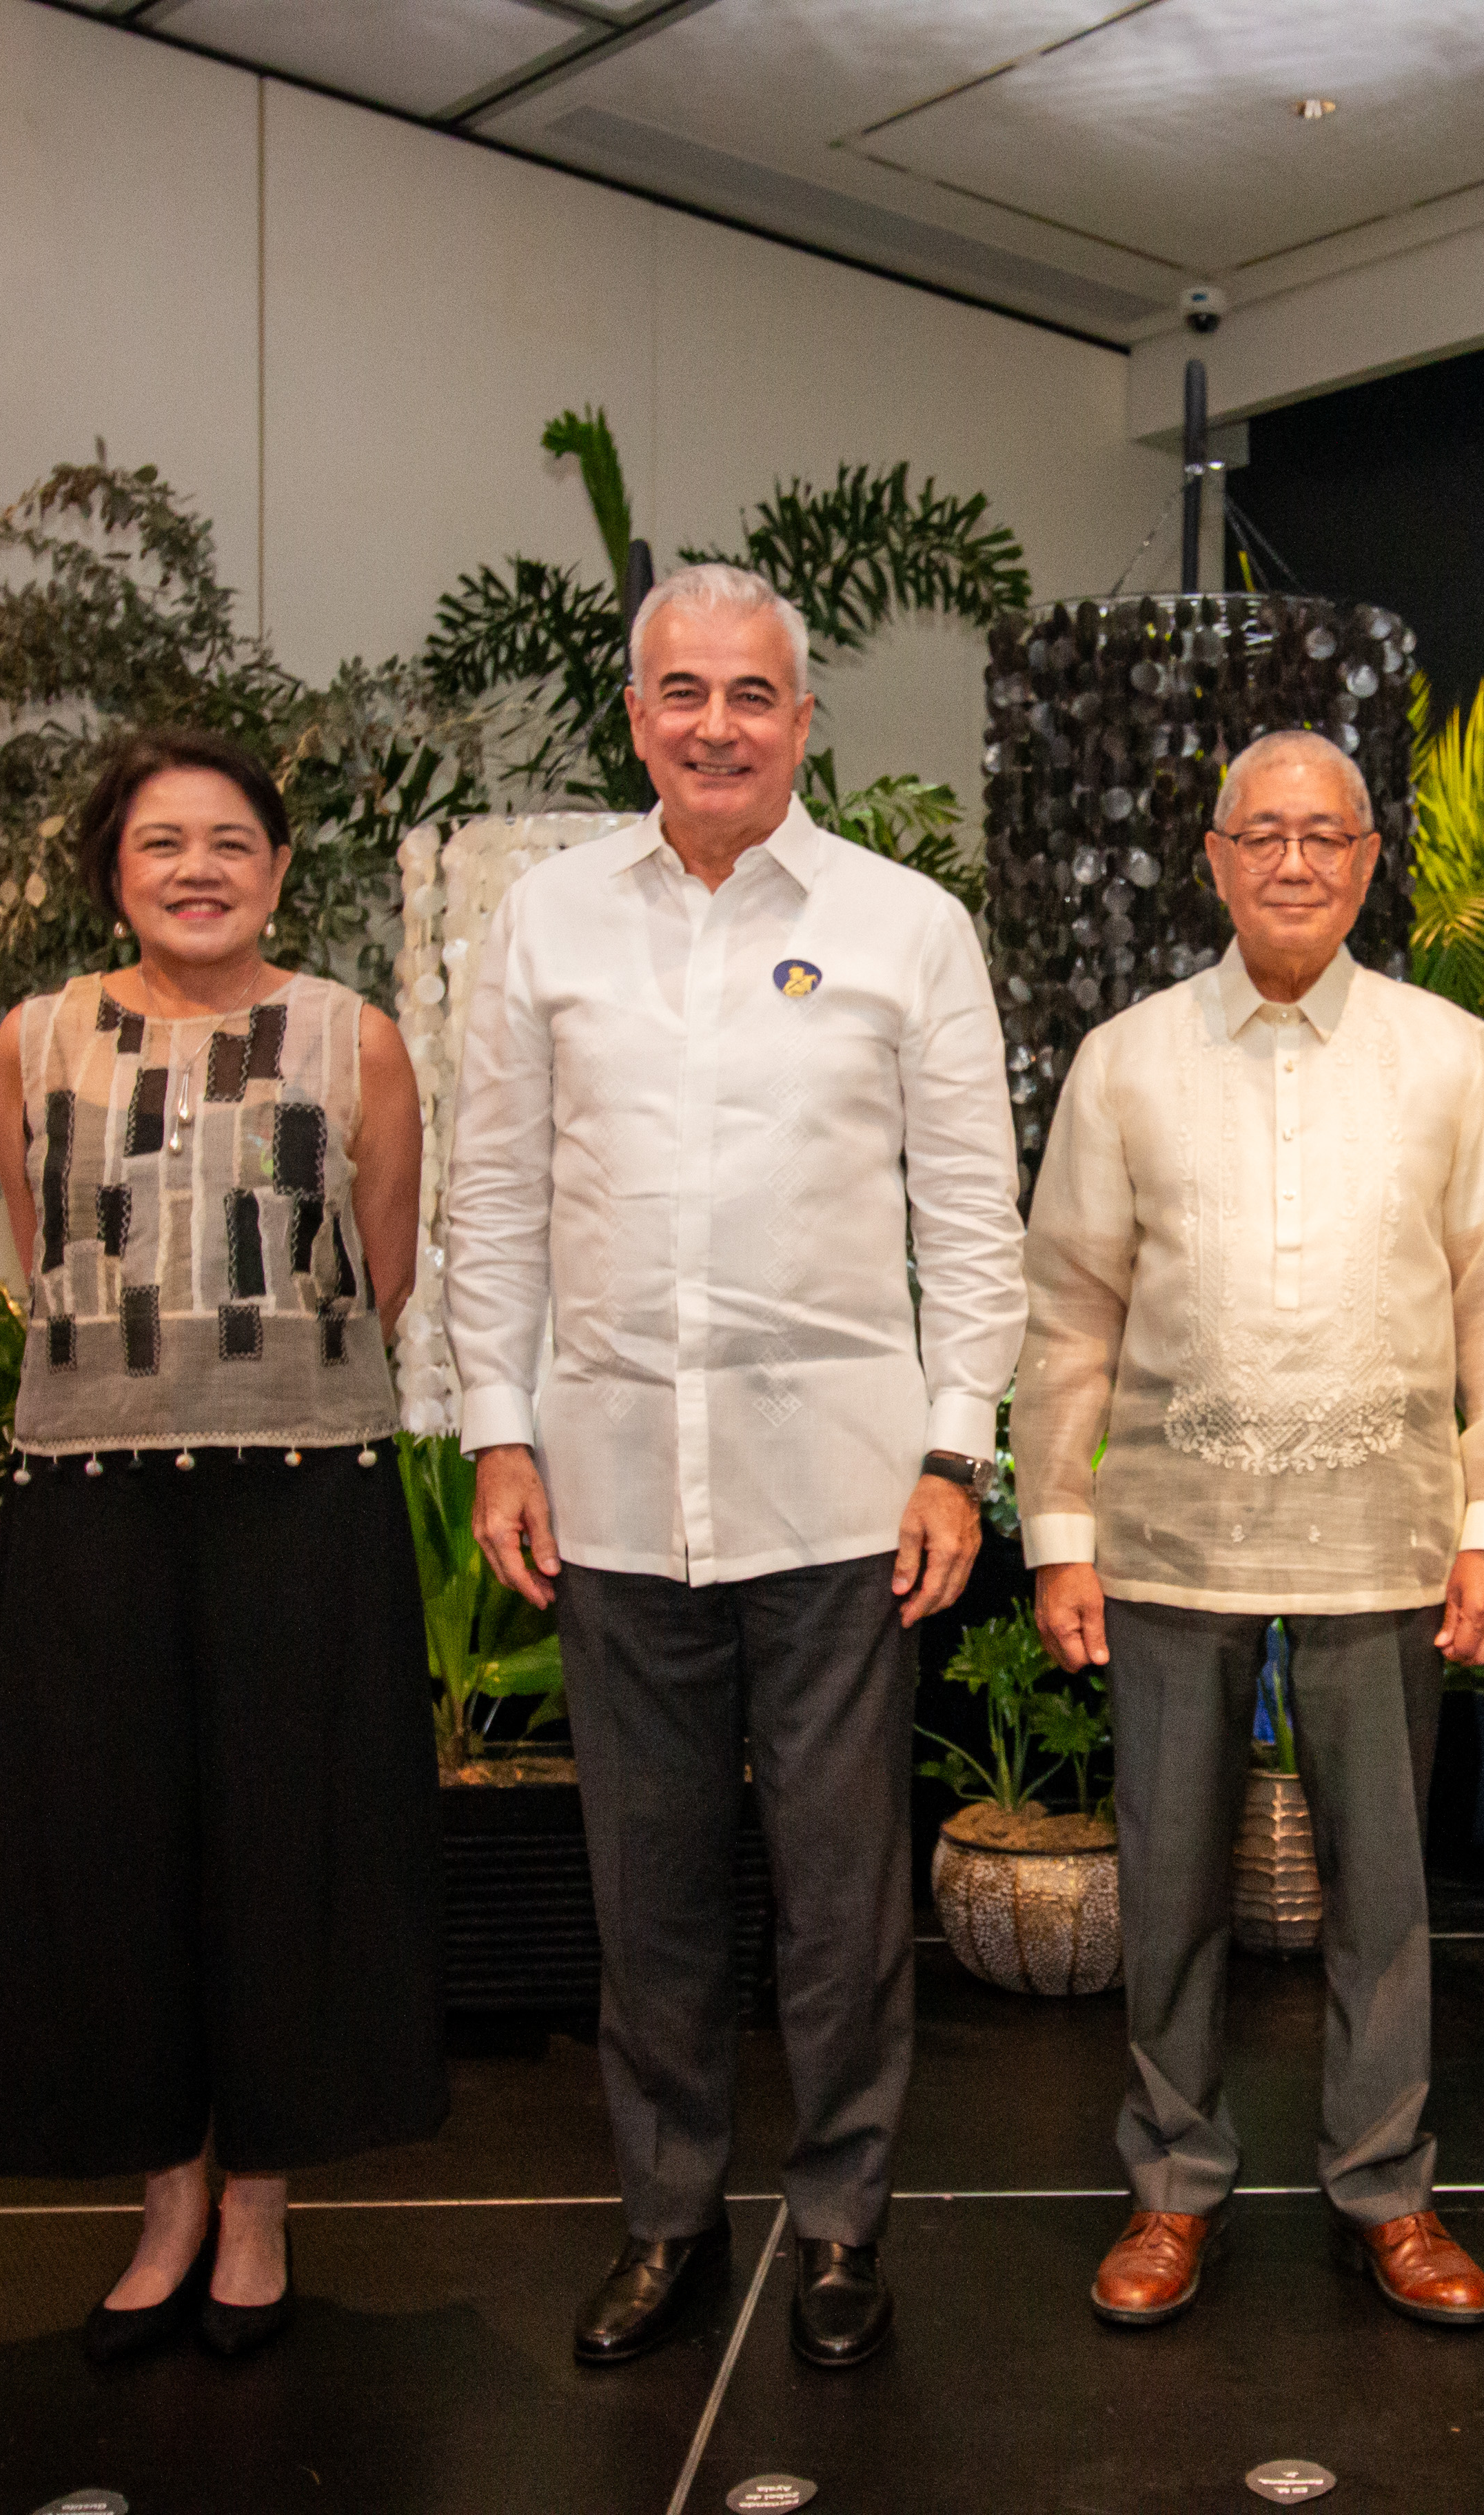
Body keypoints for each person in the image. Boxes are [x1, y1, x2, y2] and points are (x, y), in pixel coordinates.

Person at [440, 563, 1022, 2372]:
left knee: (845, 1901)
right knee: (652, 1889)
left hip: (845, 1497)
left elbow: (971, 1219)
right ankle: (669, 2215)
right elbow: (495, 1202)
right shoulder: (543, 926)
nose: (715, 725)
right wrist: (497, 1430)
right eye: (682, 693)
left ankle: (842, 2226)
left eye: (750, 695)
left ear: (803, 721)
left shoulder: (907, 926)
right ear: (636, 718)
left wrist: (954, 1454)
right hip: (612, 1488)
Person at [1019, 727, 1484, 2334]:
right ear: (1215, 857)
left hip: (1387, 1540)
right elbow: (1069, 1315)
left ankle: (1387, 2184)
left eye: (1328, 836)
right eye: (1265, 835)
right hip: (1170, 1539)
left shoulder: (1456, 1057)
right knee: (1167, 1879)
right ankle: (1174, 2181)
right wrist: (1057, 1526)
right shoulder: (1128, 1059)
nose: (1297, 863)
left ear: (1369, 860)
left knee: (1385, 1889)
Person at [0, 725, 447, 2365]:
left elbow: (383, 1266)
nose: (199, 870)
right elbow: (44, 1255)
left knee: (288, 1850)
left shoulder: (351, 1036)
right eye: (162, 844)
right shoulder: (36, 1036)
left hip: (303, 1489)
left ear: (281, 871)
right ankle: (165, 2194)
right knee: (107, 1849)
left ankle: (258, 2206)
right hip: (94, 1501)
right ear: (113, 872)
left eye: (232, 842)